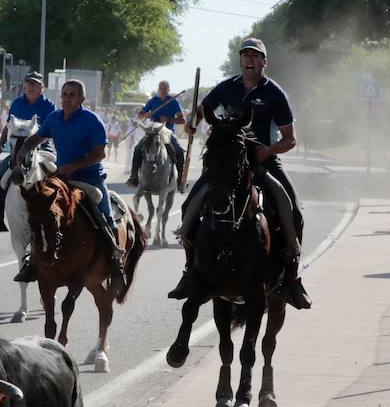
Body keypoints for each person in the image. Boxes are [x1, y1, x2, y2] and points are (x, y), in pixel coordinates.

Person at [170, 37, 310, 309]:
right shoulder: (227, 87)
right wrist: (192, 122)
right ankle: (190, 271)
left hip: (261, 160)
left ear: (263, 62)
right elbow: (202, 110)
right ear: (241, 60)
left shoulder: (274, 94)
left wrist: (267, 151)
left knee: (292, 208)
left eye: (255, 56)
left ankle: (291, 277)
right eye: (245, 55)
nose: (249, 60)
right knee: (191, 204)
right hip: (227, 163)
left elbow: (290, 139)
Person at [16, 79, 126, 292]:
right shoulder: (54, 118)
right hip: (62, 178)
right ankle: (34, 261)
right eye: (65, 94)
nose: (67, 98)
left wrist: (75, 165)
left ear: (82, 99)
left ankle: (115, 264)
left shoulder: (92, 121)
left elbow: (100, 152)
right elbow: (37, 137)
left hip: (90, 179)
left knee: (106, 216)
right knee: (40, 211)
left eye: (72, 94)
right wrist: (23, 151)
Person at [0, 71, 56, 232]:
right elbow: (8, 127)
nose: (31, 87)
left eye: (35, 84)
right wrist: (0, 146)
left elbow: (53, 128)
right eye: (29, 83)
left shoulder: (49, 106)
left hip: (42, 148)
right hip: (16, 152)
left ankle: (60, 214)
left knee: (60, 176)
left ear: (42, 87)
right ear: (24, 86)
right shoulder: (17, 103)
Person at [127, 80, 186, 187]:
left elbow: (182, 120)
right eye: (161, 88)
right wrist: (146, 114)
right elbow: (140, 116)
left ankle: (180, 179)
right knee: (137, 149)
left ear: (168, 90)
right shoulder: (152, 101)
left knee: (179, 151)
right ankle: (134, 177)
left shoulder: (173, 102)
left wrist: (168, 119)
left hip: (167, 132)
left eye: (165, 88)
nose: (163, 90)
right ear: (158, 89)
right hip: (152, 131)